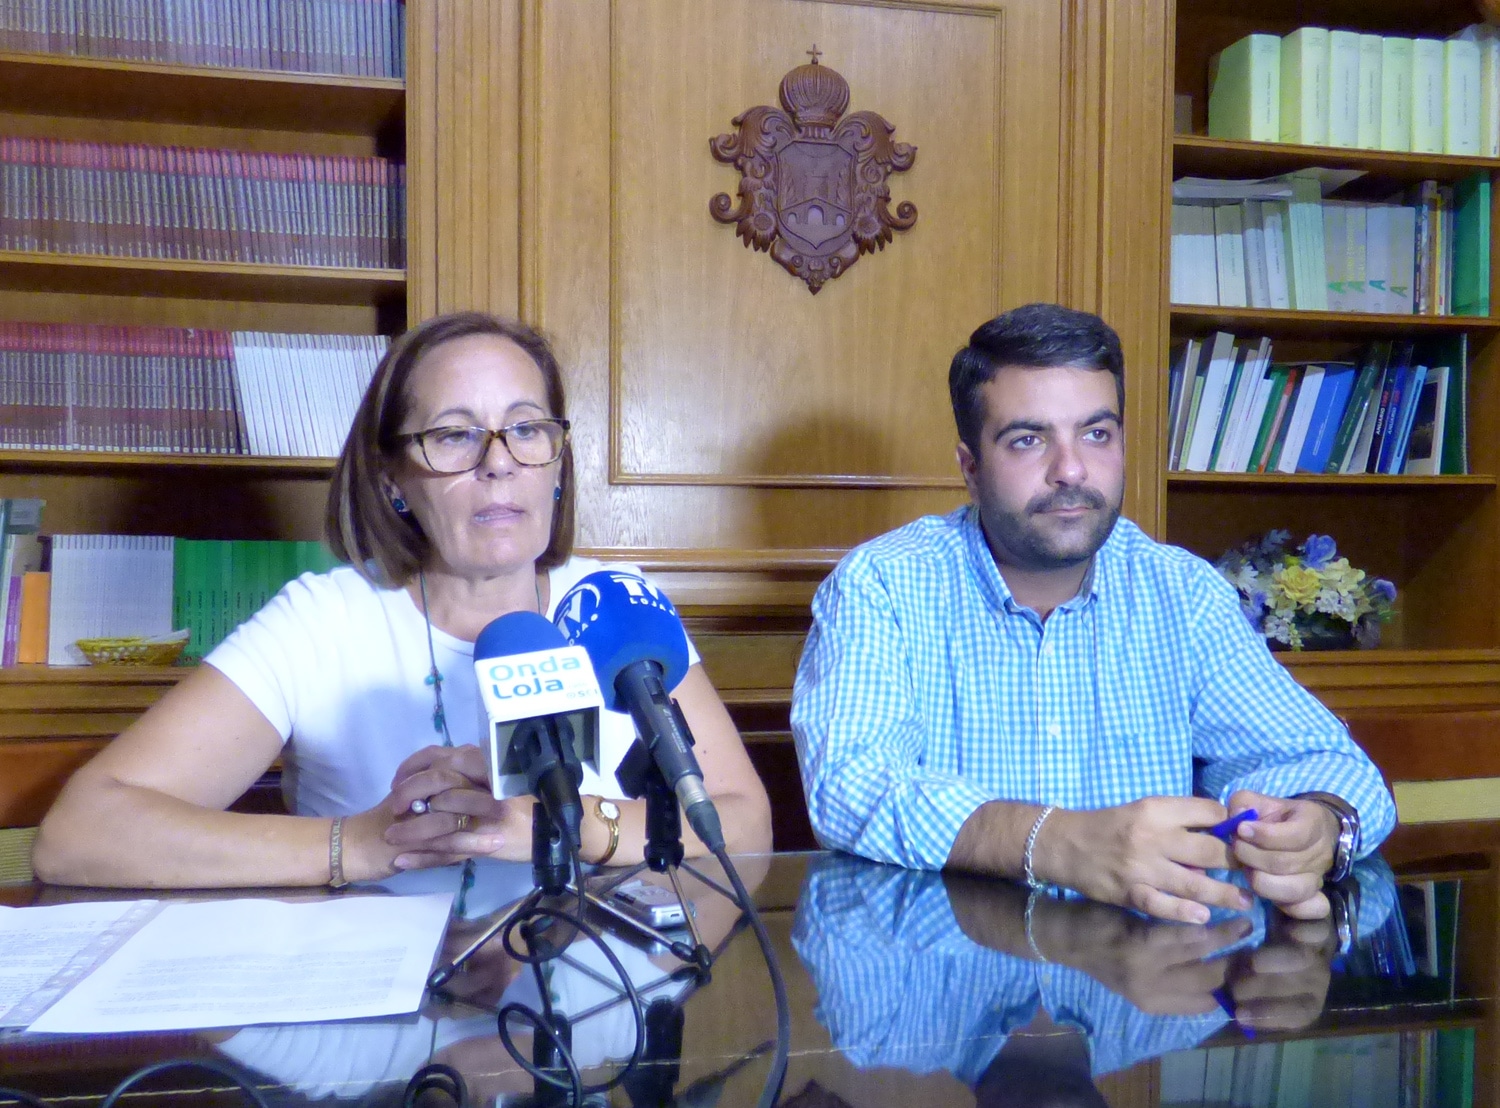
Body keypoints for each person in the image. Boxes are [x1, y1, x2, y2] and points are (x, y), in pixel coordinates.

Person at [33, 311, 772, 888]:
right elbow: (80, 833)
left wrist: (568, 825)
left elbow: (741, 820)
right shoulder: (322, 622)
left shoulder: (616, 604)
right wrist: (358, 843)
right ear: (392, 480)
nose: (497, 464)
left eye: (525, 429)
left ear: (556, 464)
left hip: (592, 1015)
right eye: (454, 436)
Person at [791, 303, 1396, 924]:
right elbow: (850, 784)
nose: (1071, 469)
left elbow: (1332, 766)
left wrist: (1322, 823)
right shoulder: (883, 585)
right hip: (950, 985)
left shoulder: (1181, 592)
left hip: (1152, 989)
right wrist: (1054, 843)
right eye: (1028, 440)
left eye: (1096, 433)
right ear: (970, 469)